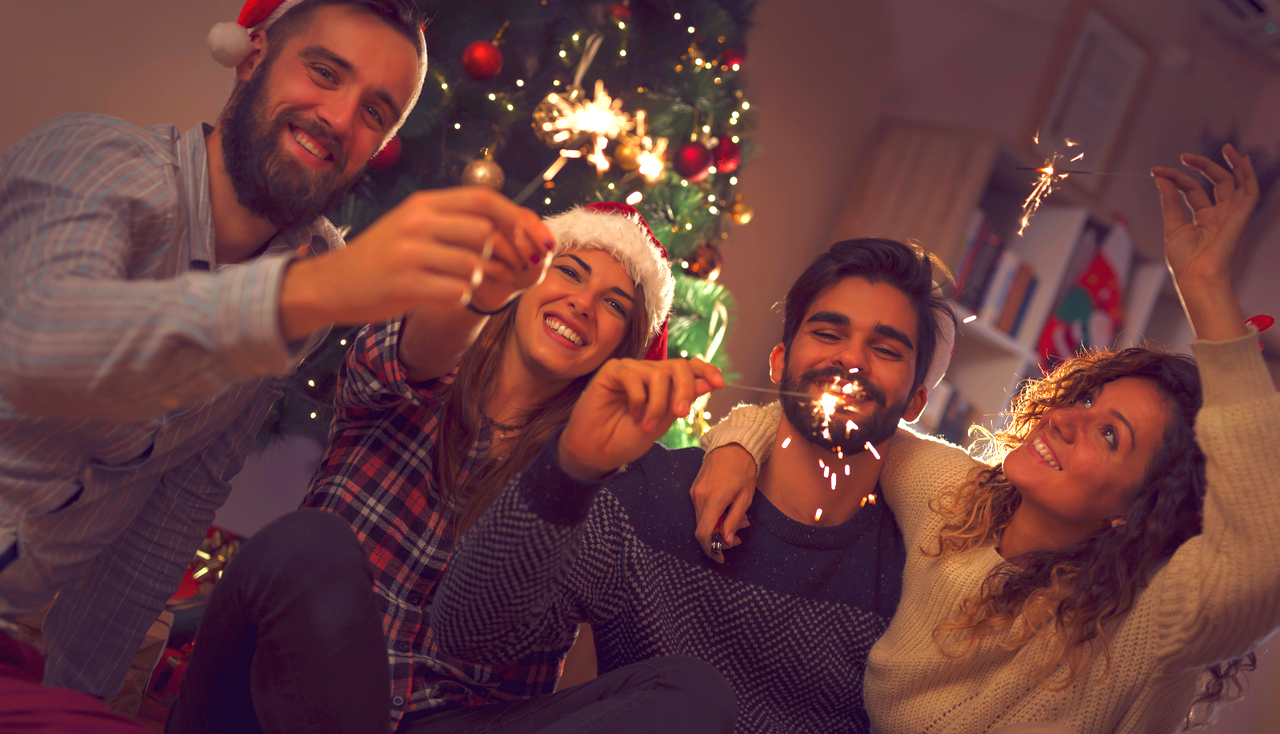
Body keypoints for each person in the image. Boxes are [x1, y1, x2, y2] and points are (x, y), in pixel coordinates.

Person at [0, 0, 555, 702]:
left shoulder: (310, 260)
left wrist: (79, 698)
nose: (338, 119)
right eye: (324, 73)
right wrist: (309, 292)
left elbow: (178, 497)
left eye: (375, 111)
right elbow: (36, 340)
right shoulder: (96, 160)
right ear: (253, 52)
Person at [695, 146, 1278, 733]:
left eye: (1108, 434)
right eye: (1083, 401)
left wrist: (1206, 289)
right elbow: (849, 414)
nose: (1065, 421)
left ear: (1138, 508)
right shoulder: (958, 503)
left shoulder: (1145, 623)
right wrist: (736, 446)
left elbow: (1264, 559)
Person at [167, 202, 737, 734]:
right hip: (287, 697)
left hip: (455, 719)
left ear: (624, 350)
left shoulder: (601, 481)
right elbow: (421, 343)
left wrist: (743, 443)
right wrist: (477, 291)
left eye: (616, 304)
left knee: (691, 690)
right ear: (523, 282)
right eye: (570, 272)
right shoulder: (417, 370)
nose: (584, 304)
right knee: (308, 544)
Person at [429, 238, 960, 733]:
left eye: (887, 350)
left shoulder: (916, 574)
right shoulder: (651, 497)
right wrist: (567, 468)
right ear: (778, 362)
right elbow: (467, 634)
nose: (851, 360)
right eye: (828, 333)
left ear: (915, 402)